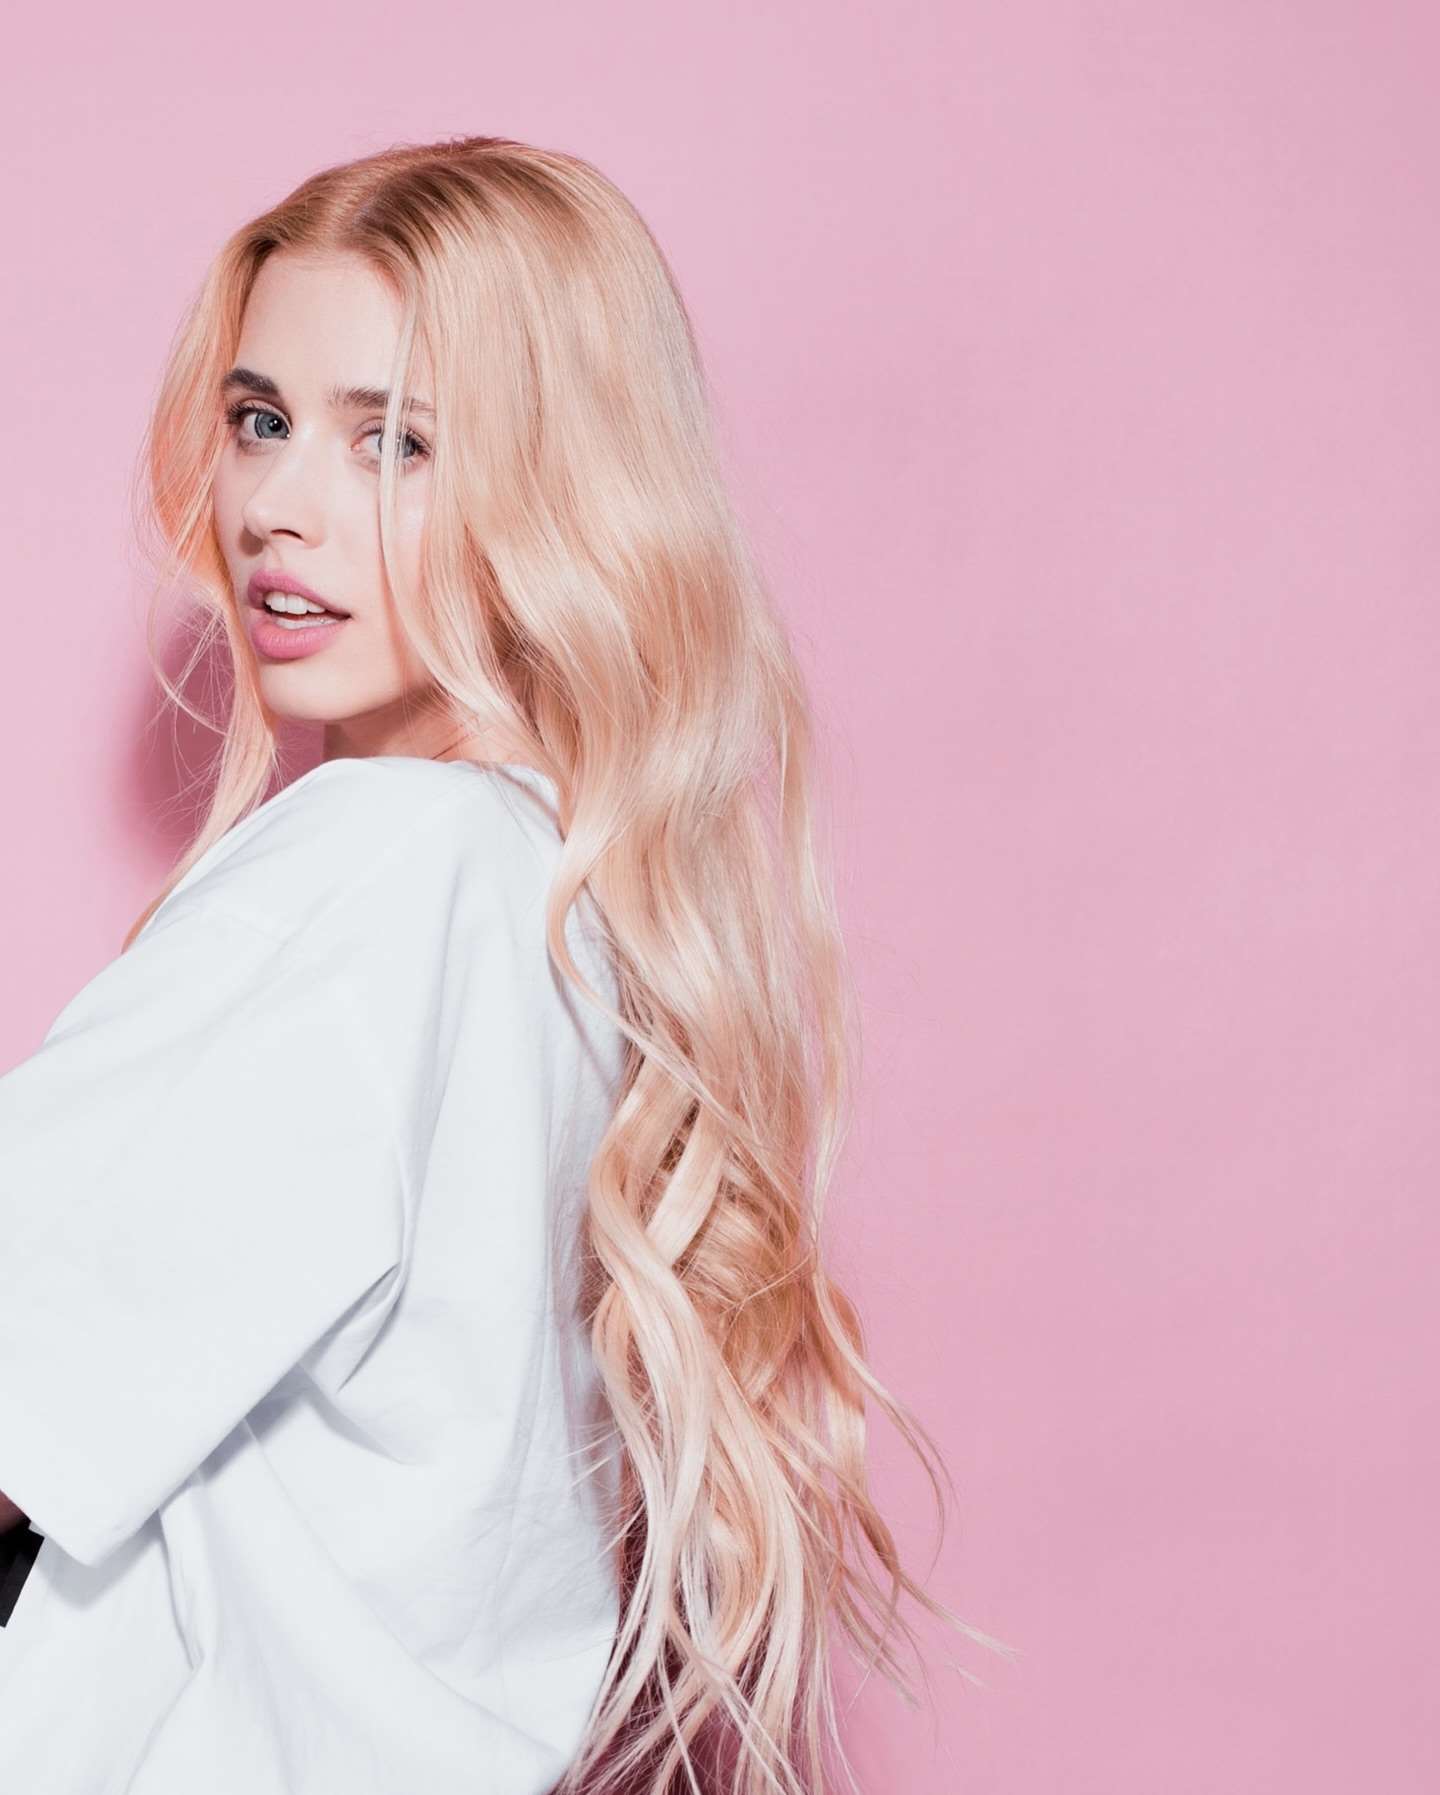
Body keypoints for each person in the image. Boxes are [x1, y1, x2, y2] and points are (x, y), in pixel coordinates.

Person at [0, 136, 1010, 1795]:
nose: (275, 506)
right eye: (260, 420)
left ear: (559, 488)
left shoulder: (385, 867)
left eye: (392, 440)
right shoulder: (563, 900)